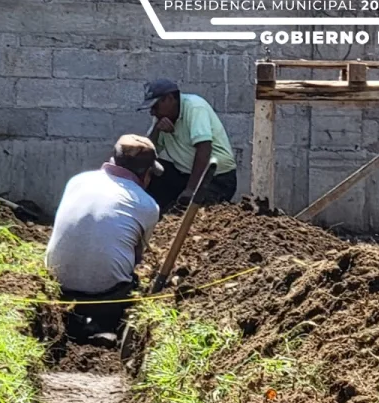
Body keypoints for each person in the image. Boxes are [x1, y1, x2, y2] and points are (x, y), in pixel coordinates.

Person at [45, 136, 163, 337]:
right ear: (146, 175)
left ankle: (72, 322)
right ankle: (106, 326)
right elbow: (137, 257)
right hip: (107, 298)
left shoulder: (77, 181)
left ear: (112, 159)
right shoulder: (147, 205)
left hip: (57, 288)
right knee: (133, 279)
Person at [141, 79, 238, 214]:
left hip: (216, 178)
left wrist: (191, 190)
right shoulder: (161, 116)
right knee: (152, 170)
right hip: (184, 173)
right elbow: (147, 151)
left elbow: (204, 149)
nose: (152, 112)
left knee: (189, 216)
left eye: (154, 107)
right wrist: (157, 129)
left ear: (170, 99)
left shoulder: (195, 107)